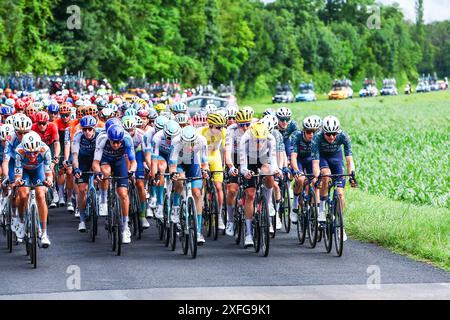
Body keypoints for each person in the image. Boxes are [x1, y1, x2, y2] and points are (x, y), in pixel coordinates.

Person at [311, 116, 356, 241]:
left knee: (340, 195)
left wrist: (352, 174)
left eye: (334, 134)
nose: (331, 137)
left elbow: (349, 159)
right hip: (323, 158)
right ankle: (321, 209)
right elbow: (315, 163)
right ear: (323, 132)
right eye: (329, 134)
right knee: (325, 175)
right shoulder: (317, 137)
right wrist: (317, 176)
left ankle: (340, 224)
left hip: (336, 159)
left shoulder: (344, 136)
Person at [93, 124, 136, 244]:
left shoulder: (127, 139)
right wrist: (98, 172)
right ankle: (103, 198)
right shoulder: (102, 139)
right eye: (113, 142)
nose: (116, 145)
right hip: (105, 159)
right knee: (105, 172)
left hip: (119, 161)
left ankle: (125, 226)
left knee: (123, 194)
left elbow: (133, 161)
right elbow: (96, 162)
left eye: (118, 142)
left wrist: (131, 171)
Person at [239, 122, 281, 247]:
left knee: (268, 173)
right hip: (249, 159)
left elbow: (273, 162)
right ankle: (248, 234)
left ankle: (267, 203)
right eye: (256, 141)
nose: (259, 144)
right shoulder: (245, 139)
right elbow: (243, 166)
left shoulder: (270, 139)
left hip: (263, 158)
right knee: (250, 195)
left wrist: (276, 170)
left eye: (262, 141)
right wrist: (246, 172)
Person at [168, 126, 209, 244]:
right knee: (179, 180)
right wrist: (174, 174)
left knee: (197, 193)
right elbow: (172, 165)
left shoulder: (201, 141)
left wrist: (206, 171)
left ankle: (198, 231)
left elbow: (204, 162)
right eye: (186, 144)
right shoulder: (176, 142)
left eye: (191, 144)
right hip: (179, 163)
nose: (188, 147)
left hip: (193, 163)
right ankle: (176, 207)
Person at [14, 132, 53, 247]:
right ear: (24, 150)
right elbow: (17, 176)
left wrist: (49, 180)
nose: (32, 156)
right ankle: (21, 222)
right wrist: (18, 181)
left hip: (38, 170)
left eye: (35, 153)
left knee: (40, 194)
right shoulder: (19, 151)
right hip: (24, 171)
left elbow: (48, 173)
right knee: (23, 194)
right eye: (29, 153)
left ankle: (44, 233)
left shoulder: (45, 150)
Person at [224, 109, 252, 236]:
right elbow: (227, 152)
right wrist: (230, 167)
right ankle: (230, 220)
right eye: (242, 125)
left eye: (248, 124)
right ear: (237, 123)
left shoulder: (254, 128)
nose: (245, 127)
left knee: (251, 191)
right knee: (232, 190)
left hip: (249, 157)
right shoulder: (231, 130)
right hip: (234, 157)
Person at [72, 116, 102, 232]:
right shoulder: (78, 135)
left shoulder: (100, 134)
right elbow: (75, 155)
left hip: (96, 159)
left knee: (99, 178)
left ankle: (100, 198)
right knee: (82, 189)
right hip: (83, 160)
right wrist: (76, 168)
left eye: (89, 129)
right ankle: (82, 220)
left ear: (94, 128)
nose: (87, 132)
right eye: (84, 129)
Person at [198, 112, 227, 230]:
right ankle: (203, 203)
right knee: (202, 184)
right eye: (218, 127)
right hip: (202, 158)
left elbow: (225, 150)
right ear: (210, 125)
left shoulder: (224, 132)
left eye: (222, 127)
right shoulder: (200, 132)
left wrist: (226, 166)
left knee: (219, 187)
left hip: (215, 157)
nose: (221, 129)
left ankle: (219, 215)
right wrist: (201, 167)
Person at [290, 115, 322, 223]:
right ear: (304, 130)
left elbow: (319, 158)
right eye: (309, 132)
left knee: (314, 181)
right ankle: (294, 205)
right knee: (300, 179)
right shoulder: (296, 136)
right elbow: (293, 156)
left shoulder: (318, 138)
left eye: (314, 132)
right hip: (299, 159)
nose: (311, 135)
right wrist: (296, 170)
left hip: (311, 161)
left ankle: (314, 209)